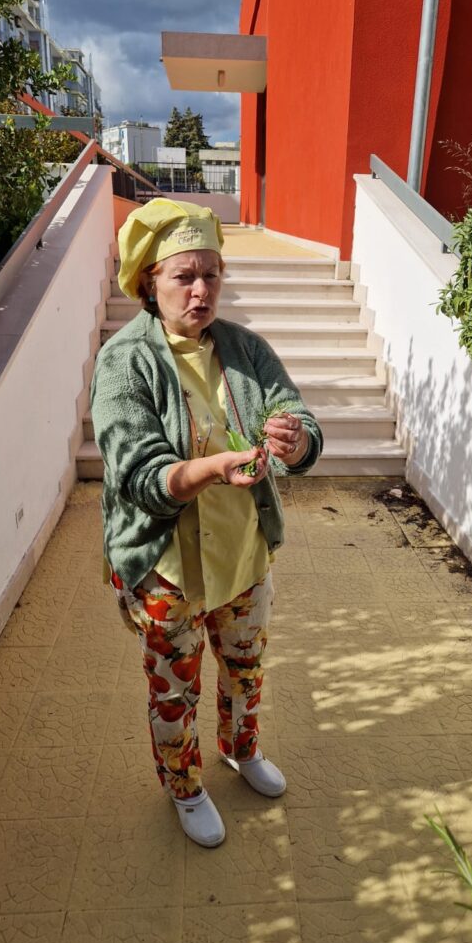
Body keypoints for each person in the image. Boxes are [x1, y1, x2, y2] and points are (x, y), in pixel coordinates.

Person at [90, 199, 322, 847]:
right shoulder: (124, 361)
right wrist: (212, 468)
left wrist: (297, 440)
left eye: (211, 275)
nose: (201, 290)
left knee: (246, 669)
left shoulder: (244, 349)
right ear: (150, 282)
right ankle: (184, 785)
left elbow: (296, 413)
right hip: (167, 569)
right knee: (174, 689)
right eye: (184, 276)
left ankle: (240, 749)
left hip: (243, 557)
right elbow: (138, 475)